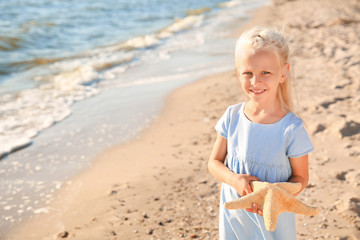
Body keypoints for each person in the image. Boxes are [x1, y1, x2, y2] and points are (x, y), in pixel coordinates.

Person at [208, 26, 314, 240]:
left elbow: (301, 178)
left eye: (265, 72)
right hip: (235, 217)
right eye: (248, 73)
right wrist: (235, 180)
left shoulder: (291, 129)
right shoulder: (232, 116)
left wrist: (276, 194)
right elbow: (214, 163)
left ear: (283, 73)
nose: (255, 82)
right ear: (238, 73)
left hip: (273, 219)